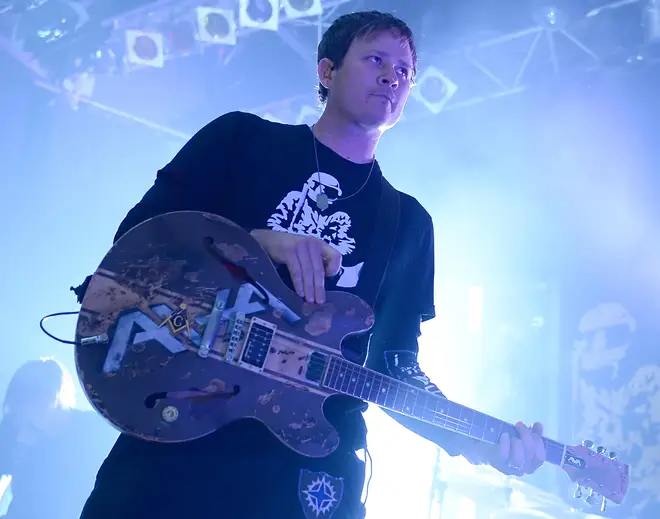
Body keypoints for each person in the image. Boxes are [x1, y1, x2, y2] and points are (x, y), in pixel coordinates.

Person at [79, 11, 546, 519]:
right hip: (181, 426)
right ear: (327, 71)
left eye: (405, 70)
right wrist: (255, 244)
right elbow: (134, 246)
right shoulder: (240, 141)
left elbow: (396, 368)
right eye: (375, 59)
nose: (392, 76)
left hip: (304, 469)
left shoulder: (408, 223)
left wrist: (474, 440)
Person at [0, 358, 117, 519]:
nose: (22, 433)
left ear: (54, 398)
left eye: (34, 402)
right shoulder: (12, 428)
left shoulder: (96, 431)